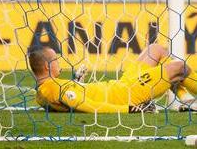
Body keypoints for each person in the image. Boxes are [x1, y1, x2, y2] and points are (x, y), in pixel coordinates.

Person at [28, 44, 197, 113]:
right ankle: (188, 100)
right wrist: (129, 109)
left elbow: (71, 98)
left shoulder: (45, 90)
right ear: (46, 66)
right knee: (179, 68)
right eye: (55, 60)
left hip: (120, 84)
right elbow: (86, 105)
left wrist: (77, 81)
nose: (59, 63)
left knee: (156, 49)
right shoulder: (53, 88)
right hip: (125, 94)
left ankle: (186, 99)